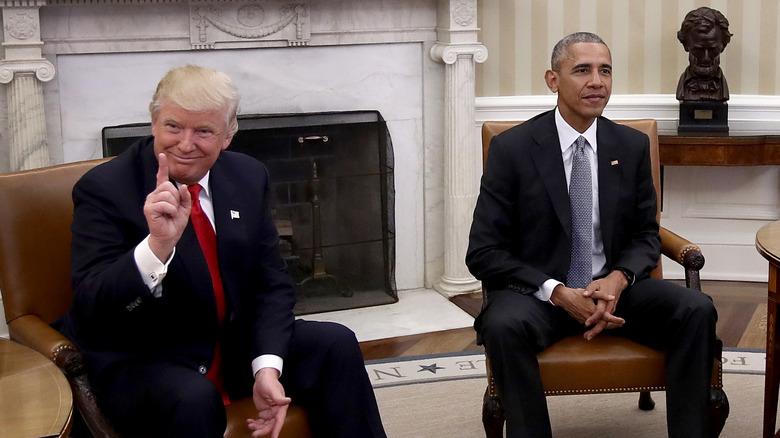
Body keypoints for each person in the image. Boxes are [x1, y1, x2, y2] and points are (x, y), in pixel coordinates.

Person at [56, 65, 387, 438]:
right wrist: (157, 247)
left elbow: (271, 282)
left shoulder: (247, 176)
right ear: (153, 122)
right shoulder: (105, 188)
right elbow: (91, 304)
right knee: (193, 398)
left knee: (335, 343)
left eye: (204, 131)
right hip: (147, 356)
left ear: (228, 136)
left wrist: (266, 367)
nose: (185, 143)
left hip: (229, 345)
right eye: (174, 126)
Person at [466, 32, 718, 437]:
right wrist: (559, 292)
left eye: (605, 70)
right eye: (582, 70)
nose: (596, 81)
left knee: (696, 308)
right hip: (541, 297)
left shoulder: (630, 145)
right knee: (502, 324)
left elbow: (645, 234)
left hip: (616, 291)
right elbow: (483, 252)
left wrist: (617, 279)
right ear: (553, 80)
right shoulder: (512, 149)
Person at [676, 6, 732, 102]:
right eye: (698, 50)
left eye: (712, 50)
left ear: (723, 46)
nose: (705, 58)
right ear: (685, 45)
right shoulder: (683, 87)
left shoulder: (722, 87)